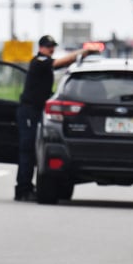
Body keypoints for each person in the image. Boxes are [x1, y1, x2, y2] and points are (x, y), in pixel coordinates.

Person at [15, 35, 94, 201]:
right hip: (29, 111)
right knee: (27, 150)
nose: (52, 49)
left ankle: (27, 187)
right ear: (41, 47)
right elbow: (60, 63)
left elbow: (59, 65)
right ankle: (23, 189)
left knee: (33, 151)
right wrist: (82, 52)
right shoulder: (38, 61)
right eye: (49, 46)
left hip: (37, 111)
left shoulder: (45, 63)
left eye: (53, 46)